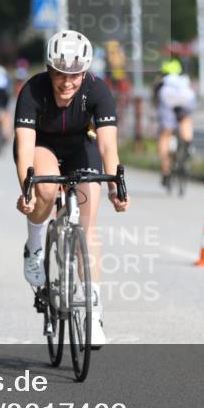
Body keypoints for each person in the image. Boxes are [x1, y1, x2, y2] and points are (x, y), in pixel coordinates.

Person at [14, 29, 130, 346]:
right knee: (47, 190)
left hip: (81, 146)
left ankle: (92, 309)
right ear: (50, 70)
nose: (67, 83)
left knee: (88, 216)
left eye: (74, 75)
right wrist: (27, 188)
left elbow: (108, 146)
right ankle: (35, 247)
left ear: (85, 72)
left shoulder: (98, 90)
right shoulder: (33, 91)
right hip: (42, 146)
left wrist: (115, 186)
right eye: (61, 75)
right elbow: (24, 147)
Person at [153, 58, 196, 189]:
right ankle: (187, 144)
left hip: (167, 99)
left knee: (165, 135)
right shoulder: (183, 79)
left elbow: (156, 100)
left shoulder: (161, 81)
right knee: (185, 119)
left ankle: (165, 171)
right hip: (185, 97)